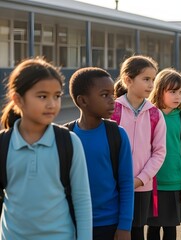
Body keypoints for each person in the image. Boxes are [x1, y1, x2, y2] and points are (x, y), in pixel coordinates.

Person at [0, 58, 92, 239]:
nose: (52, 104)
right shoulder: (3, 144)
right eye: (42, 96)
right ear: (18, 99)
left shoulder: (69, 142)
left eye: (57, 96)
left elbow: (82, 200)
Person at [68, 67, 134, 240]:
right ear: (83, 101)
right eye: (105, 95)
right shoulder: (64, 137)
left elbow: (126, 183)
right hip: (72, 224)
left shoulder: (117, 135)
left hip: (109, 225)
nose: (113, 100)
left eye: (113, 94)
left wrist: (125, 226)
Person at [110, 55, 167, 240]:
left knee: (136, 232)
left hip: (142, 187)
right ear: (128, 80)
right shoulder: (112, 110)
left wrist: (141, 179)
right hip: (113, 186)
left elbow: (159, 152)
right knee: (113, 230)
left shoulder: (155, 114)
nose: (151, 84)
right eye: (146, 79)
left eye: (153, 79)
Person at [147, 68, 181, 240]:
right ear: (160, 91)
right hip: (151, 184)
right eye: (172, 91)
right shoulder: (149, 116)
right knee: (152, 229)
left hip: (175, 184)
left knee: (170, 230)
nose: (178, 96)